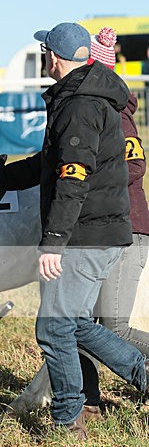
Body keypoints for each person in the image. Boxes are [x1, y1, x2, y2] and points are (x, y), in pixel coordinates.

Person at [0, 22, 148, 440]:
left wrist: (54, 242)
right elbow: (47, 165)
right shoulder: (78, 97)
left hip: (88, 234)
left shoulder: (80, 104)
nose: (44, 56)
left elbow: (73, 178)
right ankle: (140, 375)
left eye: (45, 50)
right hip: (98, 232)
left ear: (54, 58)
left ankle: (67, 421)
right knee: (75, 323)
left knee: (53, 326)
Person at [78, 27, 149, 412]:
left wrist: (83, 177)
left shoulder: (113, 112)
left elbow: (135, 165)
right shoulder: (83, 108)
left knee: (112, 329)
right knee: (79, 321)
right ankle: (88, 402)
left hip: (128, 231)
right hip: (98, 231)